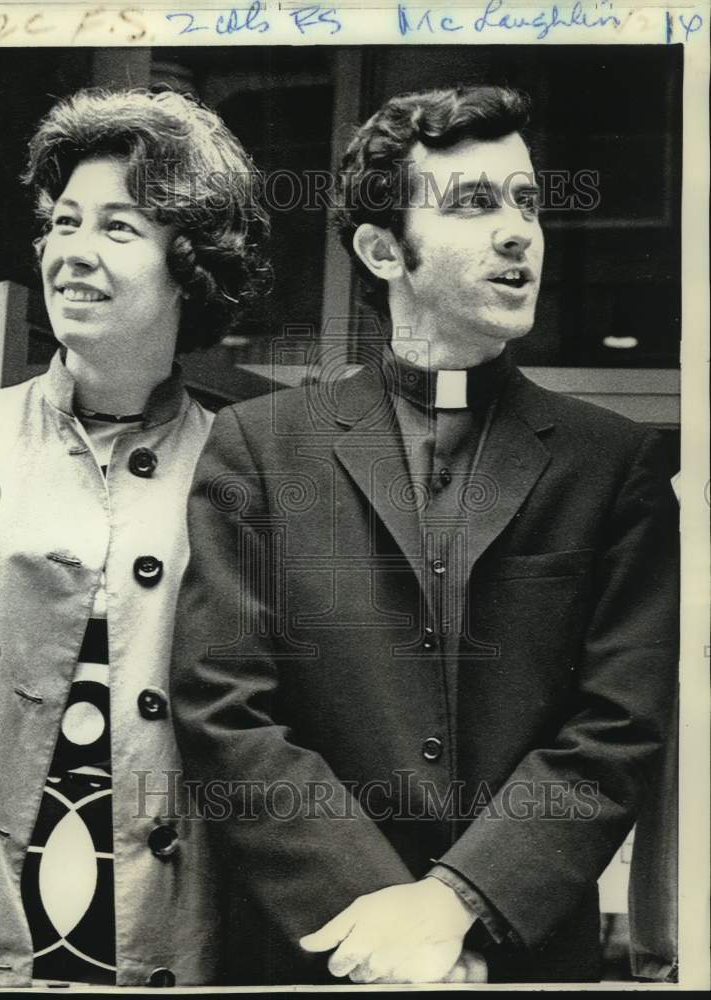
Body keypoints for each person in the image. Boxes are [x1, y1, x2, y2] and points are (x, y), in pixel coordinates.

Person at [170, 86, 679, 984]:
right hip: (317, 954)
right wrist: (387, 926)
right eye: (476, 203)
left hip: (520, 958)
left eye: (526, 200)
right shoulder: (259, 446)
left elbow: (617, 725)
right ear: (380, 249)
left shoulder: (614, 465)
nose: (520, 230)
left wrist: (459, 904)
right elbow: (223, 705)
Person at [0, 88, 268, 988]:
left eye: (118, 228)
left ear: (188, 265)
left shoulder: (247, 468)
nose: (73, 251)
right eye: (63, 222)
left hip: (169, 930)